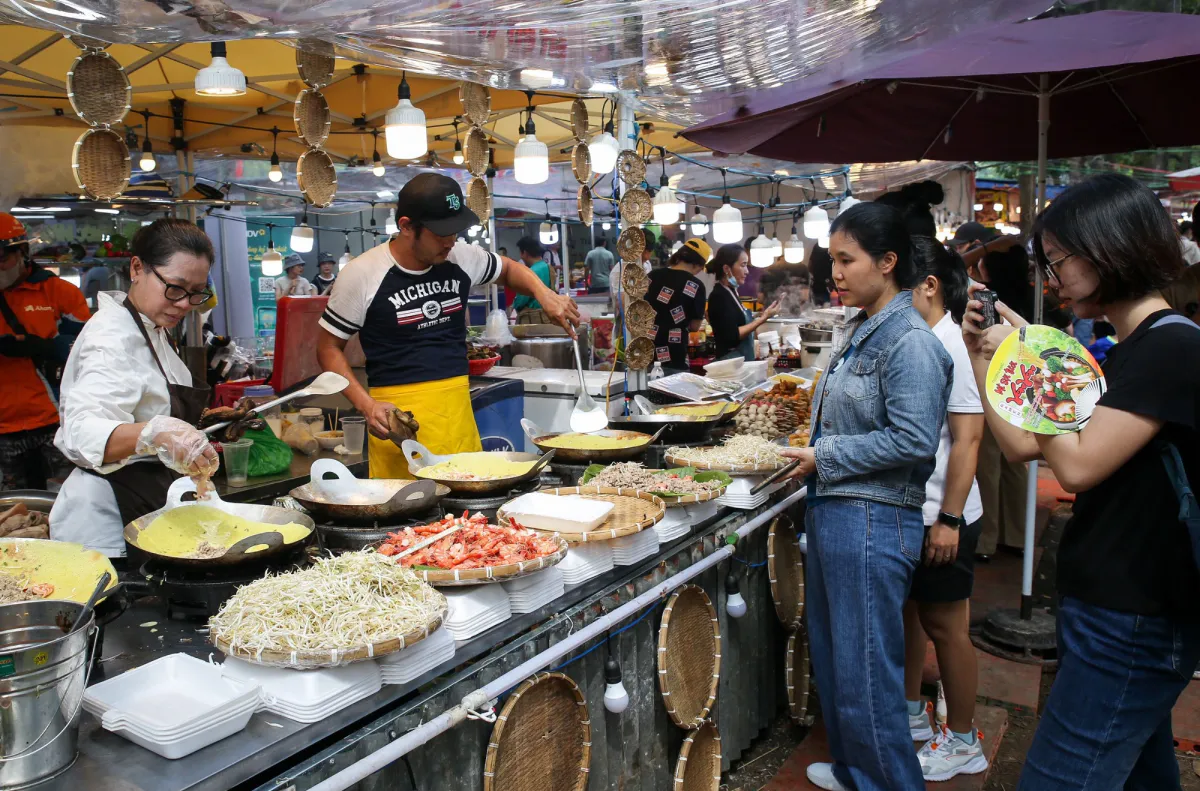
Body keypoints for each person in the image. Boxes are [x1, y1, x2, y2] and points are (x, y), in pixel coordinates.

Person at [962, 174, 1200, 790]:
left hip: (1136, 613)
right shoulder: (1129, 349)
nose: (1052, 277)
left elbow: (1077, 464)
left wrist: (1032, 358)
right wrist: (986, 357)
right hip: (1111, 604)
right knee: (1144, 776)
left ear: (1110, 249)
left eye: (1059, 259)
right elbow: (1021, 445)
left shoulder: (1171, 348)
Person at [781, 202, 952, 791]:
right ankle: (859, 771)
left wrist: (821, 455)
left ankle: (889, 782)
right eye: (833, 259)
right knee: (839, 661)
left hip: (874, 519)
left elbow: (911, 438)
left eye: (846, 259)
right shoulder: (861, 329)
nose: (836, 271)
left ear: (887, 262)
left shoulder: (911, 344)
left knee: (869, 673)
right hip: (839, 511)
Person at [316, 173, 579, 479]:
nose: (450, 241)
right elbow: (327, 348)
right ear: (406, 227)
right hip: (399, 427)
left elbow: (507, 269)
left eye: (455, 231)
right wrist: (366, 405)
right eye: (440, 233)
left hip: (458, 418)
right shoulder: (362, 275)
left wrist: (542, 291)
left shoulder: (460, 256)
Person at [50, 219, 218, 556]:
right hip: (105, 521)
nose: (185, 303)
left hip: (146, 500)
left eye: (197, 292)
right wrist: (157, 433)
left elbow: (147, 400)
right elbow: (83, 432)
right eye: (175, 287)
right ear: (137, 268)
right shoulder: (111, 338)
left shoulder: (152, 326)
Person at [902, 236, 987, 781]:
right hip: (921, 510)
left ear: (928, 286)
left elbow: (969, 439)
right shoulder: (924, 336)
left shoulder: (948, 342)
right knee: (912, 614)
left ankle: (962, 739)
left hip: (944, 513)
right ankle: (911, 714)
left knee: (946, 625)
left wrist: (949, 520)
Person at [0, 213, 90, 491]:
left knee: (68, 500)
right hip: (3, 432)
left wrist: (43, 346)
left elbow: (89, 351)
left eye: (2, 256)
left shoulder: (59, 292)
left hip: (55, 423)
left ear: (23, 252)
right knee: (13, 516)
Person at [705, 243, 779, 361]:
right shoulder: (719, 296)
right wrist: (763, 318)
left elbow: (734, 319)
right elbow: (732, 336)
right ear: (726, 269)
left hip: (742, 362)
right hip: (730, 364)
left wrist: (757, 315)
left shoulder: (731, 292)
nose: (747, 271)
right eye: (743, 265)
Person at [646, 238, 710, 373]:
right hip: (676, 355)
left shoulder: (652, 276)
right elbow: (694, 326)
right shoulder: (696, 285)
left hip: (647, 350)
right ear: (698, 264)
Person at [609, 229, 656, 309]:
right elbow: (621, 303)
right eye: (644, 251)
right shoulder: (620, 271)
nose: (647, 257)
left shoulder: (647, 264)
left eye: (650, 251)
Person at [511, 236, 553, 324]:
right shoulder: (548, 267)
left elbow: (520, 302)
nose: (521, 256)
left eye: (521, 253)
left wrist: (515, 304)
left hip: (532, 320)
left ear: (525, 253)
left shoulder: (529, 273)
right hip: (547, 318)